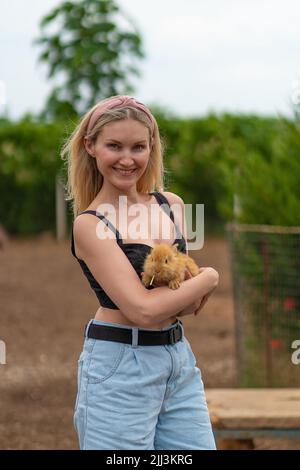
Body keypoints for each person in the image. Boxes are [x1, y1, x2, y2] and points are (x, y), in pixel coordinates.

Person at [62, 95, 219, 450]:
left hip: (178, 361)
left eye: (138, 146)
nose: (127, 158)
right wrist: (210, 278)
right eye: (114, 146)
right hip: (119, 366)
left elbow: (182, 305)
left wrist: (184, 294)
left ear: (152, 148)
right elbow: (143, 310)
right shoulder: (91, 224)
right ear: (91, 146)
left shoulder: (172, 205)